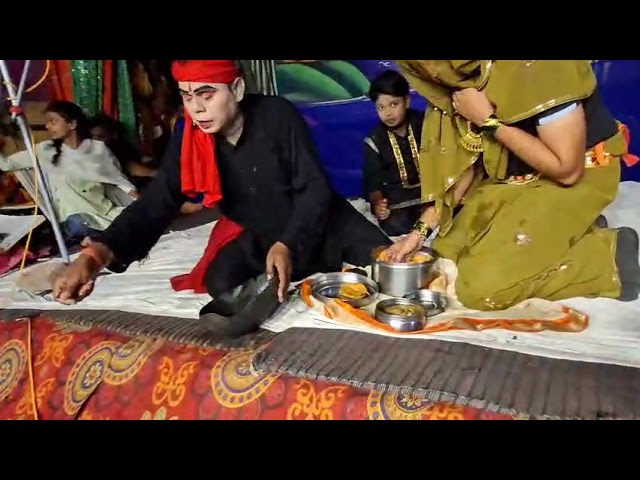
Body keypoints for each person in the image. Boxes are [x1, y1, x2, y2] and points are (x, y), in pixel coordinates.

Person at [51, 60, 391, 310]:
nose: (197, 108)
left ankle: (317, 263)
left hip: (325, 223)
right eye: (187, 96)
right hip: (265, 233)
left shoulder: (277, 114)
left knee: (392, 267)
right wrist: (96, 255)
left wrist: (287, 243)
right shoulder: (190, 137)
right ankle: (295, 270)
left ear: (237, 89)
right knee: (220, 283)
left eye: (206, 94)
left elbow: (314, 188)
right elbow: (156, 203)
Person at [384, 60, 640, 310]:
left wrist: (488, 121)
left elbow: (568, 171)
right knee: (443, 257)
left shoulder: (540, 66)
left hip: (577, 175)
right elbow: (468, 164)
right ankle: (567, 232)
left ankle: (607, 257)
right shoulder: (459, 76)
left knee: (479, 289)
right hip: (513, 178)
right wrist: (418, 233)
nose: (431, 69)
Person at [0, 100, 139, 242]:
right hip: (74, 219)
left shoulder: (97, 149)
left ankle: (108, 236)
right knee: (76, 224)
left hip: (104, 212)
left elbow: (119, 181)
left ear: (72, 124)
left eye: (53, 122)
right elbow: (6, 164)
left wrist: (141, 204)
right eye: (47, 122)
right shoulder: (45, 150)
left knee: (136, 218)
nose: (47, 126)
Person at [363, 69, 425, 236]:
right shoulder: (375, 141)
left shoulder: (426, 125)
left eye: (393, 104)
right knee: (395, 226)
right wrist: (378, 204)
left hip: (432, 196)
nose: (388, 113)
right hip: (399, 204)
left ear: (407, 101)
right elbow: (373, 182)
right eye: (380, 107)